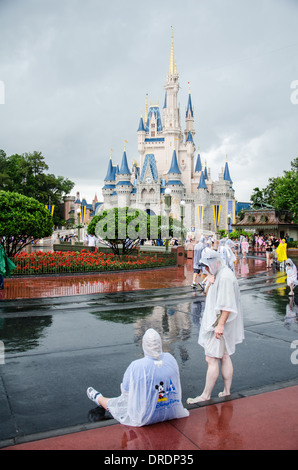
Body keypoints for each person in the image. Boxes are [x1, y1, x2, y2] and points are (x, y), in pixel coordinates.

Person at [86, 328, 189, 427]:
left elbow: (126, 393)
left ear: (144, 345)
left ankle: (98, 398)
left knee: (119, 404)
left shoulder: (137, 366)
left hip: (146, 417)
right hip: (173, 411)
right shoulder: (170, 359)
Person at [187, 251, 244, 404]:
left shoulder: (224, 277)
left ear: (214, 262)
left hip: (217, 324)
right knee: (224, 356)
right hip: (218, 323)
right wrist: (209, 282)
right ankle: (226, 391)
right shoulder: (219, 274)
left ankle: (206, 395)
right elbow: (208, 294)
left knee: (211, 358)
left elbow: (227, 305)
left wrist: (220, 325)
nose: (205, 269)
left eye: (206, 266)